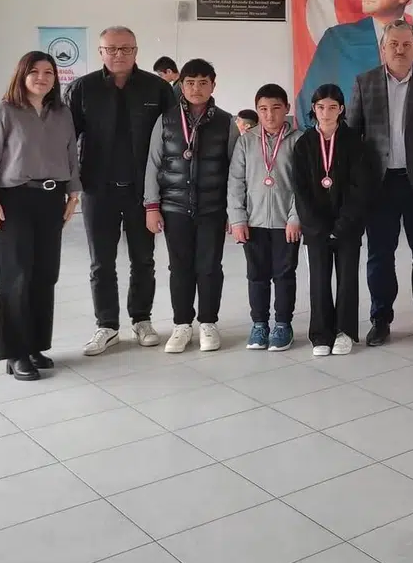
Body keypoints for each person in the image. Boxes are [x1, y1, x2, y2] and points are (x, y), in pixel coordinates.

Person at [67, 27, 175, 357]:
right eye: (111, 49)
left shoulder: (157, 88)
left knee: (143, 260)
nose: (119, 54)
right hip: (97, 190)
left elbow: (172, 138)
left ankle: (142, 319)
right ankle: (107, 325)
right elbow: (66, 140)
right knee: (101, 262)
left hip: (143, 192)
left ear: (136, 51)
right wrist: (70, 188)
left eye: (126, 48)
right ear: (100, 52)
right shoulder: (82, 89)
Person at [0, 51, 80, 381]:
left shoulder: (62, 113)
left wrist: (73, 194)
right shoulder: (3, 111)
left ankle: (35, 346)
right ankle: (15, 353)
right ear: (21, 75)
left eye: (49, 72)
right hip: (12, 200)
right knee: (16, 276)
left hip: (51, 199)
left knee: (44, 275)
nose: (42, 78)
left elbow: (72, 154)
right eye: (34, 72)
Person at [347, 18, 413, 346]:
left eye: (406, 45)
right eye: (394, 44)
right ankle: (380, 319)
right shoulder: (365, 82)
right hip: (380, 185)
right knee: (379, 254)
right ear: (383, 49)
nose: (400, 50)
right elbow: (352, 136)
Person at [143, 58, 239, 354]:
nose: (196, 89)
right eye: (190, 83)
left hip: (213, 209)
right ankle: (182, 324)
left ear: (213, 85)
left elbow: (235, 171)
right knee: (179, 268)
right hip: (174, 207)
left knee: (209, 268)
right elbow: (153, 164)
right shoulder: (166, 120)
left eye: (203, 83)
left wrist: (233, 212)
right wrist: (151, 206)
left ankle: (208, 322)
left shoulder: (226, 122)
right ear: (181, 85)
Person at [294, 84, 376, 357]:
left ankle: (345, 331)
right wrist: (316, 225)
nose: (326, 113)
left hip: (347, 226)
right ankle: (320, 334)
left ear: (341, 109)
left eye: (332, 107)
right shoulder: (304, 143)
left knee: (347, 279)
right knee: (318, 280)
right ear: (313, 109)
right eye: (320, 107)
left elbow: (360, 188)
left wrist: (343, 224)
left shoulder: (354, 142)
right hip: (315, 227)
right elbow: (300, 189)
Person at [228, 84, 302, 352]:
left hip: (286, 223)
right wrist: (237, 219)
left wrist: (295, 217)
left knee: (284, 274)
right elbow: (236, 182)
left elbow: (303, 185)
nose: (269, 115)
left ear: (287, 109)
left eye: (276, 108)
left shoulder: (299, 140)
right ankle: (259, 324)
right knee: (256, 274)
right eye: (263, 109)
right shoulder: (246, 141)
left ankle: (283, 324)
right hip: (254, 222)